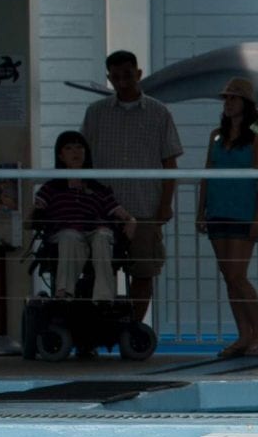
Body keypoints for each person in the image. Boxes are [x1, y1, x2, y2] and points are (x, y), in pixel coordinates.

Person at [81, 50, 181, 326]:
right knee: (101, 270)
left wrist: (165, 204)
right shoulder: (95, 113)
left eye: (128, 74)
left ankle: (134, 328)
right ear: (109, 78)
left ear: (138, 73)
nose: (123, 81)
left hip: (145, 206)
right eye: (116, 76)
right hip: (103, 210)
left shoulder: (160, 113)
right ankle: (103, 327)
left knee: (143, 270)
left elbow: (170, 162)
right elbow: (81, 160)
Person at [195, 77, 258, 359]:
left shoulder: (256, 138)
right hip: (218, 209)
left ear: (246, 103)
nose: (228, 103)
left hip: (243, 211)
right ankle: (243, 334)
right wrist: (200, 209)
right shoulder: (216, 135)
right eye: (226, 99)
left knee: (238, 275)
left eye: (233, 98)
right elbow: (207, 174)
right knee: (229, 276)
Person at [30, 131, 138, 300]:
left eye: (80, 147)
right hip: (66, 233)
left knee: (102, 236)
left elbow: (124, 215)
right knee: (70, 235)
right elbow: (36, 213)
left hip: (94, 231)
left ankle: (104, 298)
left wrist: (131, 222)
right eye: (69, 148)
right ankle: (64, 293)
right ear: (61, 155)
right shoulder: (51, 188)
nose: (75, 152)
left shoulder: (98, 188)